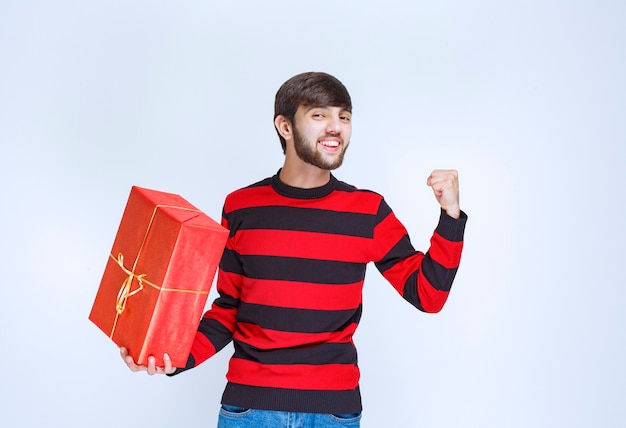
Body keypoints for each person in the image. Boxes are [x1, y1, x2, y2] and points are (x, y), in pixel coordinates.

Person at [121, 71, 467, 427]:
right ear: (285, 127)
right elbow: (229, 309)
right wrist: (172, 356)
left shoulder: (368, 212)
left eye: (343, 116)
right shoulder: (241, 207)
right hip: (248, 410)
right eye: (319, 115)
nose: (336, 126)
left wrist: (450, 216)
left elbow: (429, 295)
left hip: (333, 413)